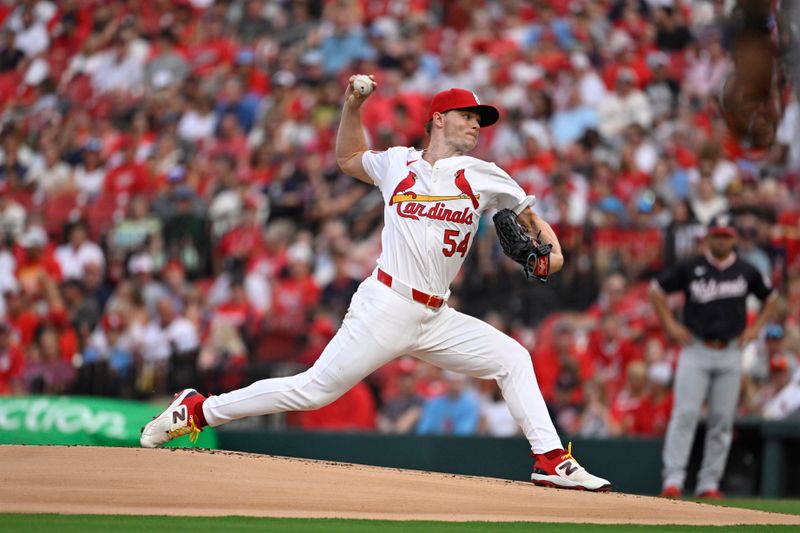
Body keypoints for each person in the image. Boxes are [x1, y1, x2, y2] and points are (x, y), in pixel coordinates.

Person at [140, 78, 611, 492]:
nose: (475, 126)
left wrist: (554, 252)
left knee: (513, 358)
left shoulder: (484, 175)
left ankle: (551, 461)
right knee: (313, 391)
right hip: (387, 303)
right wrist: (352, 106)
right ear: (439, 119)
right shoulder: (397, 164)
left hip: (436, 315)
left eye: (479, 120)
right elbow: (346, 157)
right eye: (467, 116)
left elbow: (531, 218)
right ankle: (199, 410)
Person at [649, 213, 778, 499]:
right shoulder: (691, 266)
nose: (722, 239)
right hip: (696, 348)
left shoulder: (746, 270)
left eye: (726, 235)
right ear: (708, 237)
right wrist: (670, 324)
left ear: (734, 237)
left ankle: (709, 483)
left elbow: (771, 297)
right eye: (717, 234)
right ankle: (673, 480)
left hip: (730, 350)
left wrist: (756, 328)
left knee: (722, 420)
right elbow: (656, 290)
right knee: (685, 414)